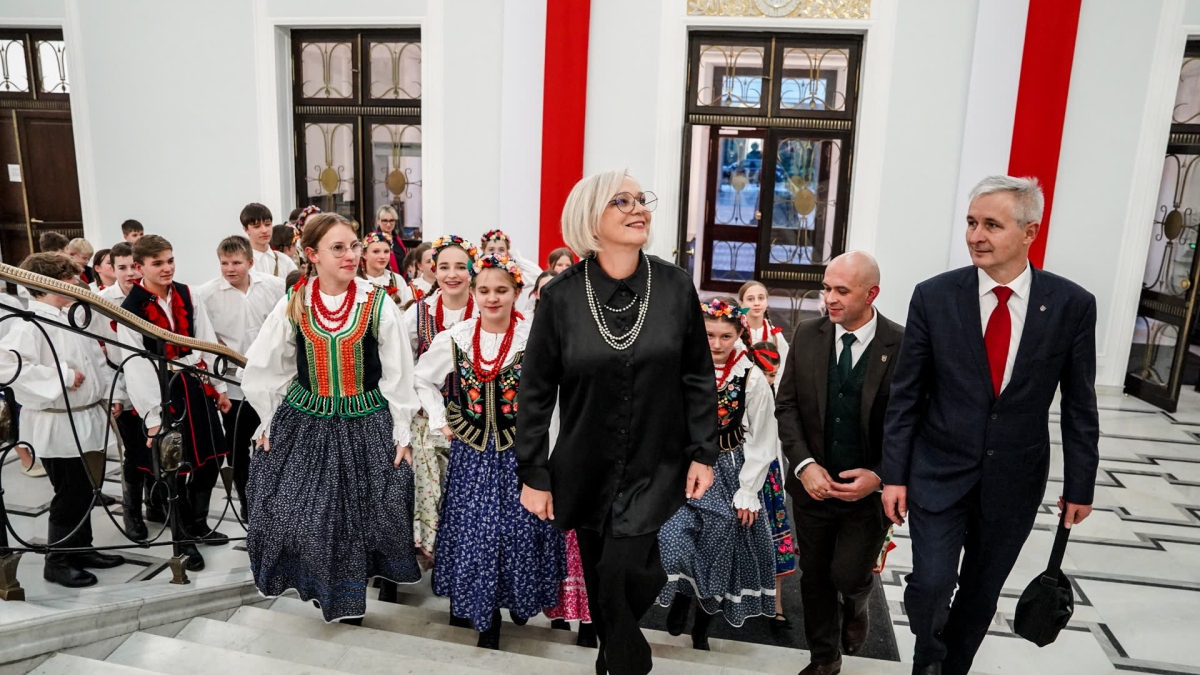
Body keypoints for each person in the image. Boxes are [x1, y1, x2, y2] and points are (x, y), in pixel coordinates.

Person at [882, 176, 1100, 675]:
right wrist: (894, 475)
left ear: (1029, 232)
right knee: (932, 584)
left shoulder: (1071, 305)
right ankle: (928, 655)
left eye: (991, 225)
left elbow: (1079, 404)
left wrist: (1080, 485)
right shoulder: (934, 296)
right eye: (971, 223)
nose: (976, 235)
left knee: (981, 592)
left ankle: (950, 670)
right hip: (938, 470)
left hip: (1014, 480)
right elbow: (906, 396)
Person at [516, 169, 718, 675]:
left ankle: (629, 662)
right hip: (585, 466)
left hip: (658, 460)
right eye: (621, 201)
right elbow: (535, 393)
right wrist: (534, 474)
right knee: (602, 570)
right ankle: (613, 659)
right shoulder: (561, 297)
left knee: (625, 569)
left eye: (641, 199)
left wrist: (704, 452)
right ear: (590, 218)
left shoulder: (675, 286)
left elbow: (697, 376)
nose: (639, 208)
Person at [241, 213, 422, 624]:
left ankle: (354, 598)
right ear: (312, 255)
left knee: (368, 515)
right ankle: (320, 587)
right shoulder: (296, 302)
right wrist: (268, 419)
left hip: (367, 422)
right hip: (307, 422)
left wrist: (402, 431)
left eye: (354, 246)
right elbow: (268, 365)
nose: (350, 255)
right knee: (292, 512)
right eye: (338, 248)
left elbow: (399, 373)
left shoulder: (377, 303)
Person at [415, 254, 565, 649]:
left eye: (501, 290)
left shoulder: (534, 337)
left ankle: (517, 599)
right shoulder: (458, 337)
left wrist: (550, 453)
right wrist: (439, 419)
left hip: (522, 454)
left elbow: (554, 396)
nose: (492, 298)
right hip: (473, 454)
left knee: (519, 531)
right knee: (479, 534)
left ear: (517, 292)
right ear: (474, 291)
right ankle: (487, 618)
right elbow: (421, 378)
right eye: (484, 290)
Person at [775, 251, 903, 675]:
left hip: (868, 495)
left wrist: (880, 476)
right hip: (813, 488)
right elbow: (787, 406)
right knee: (814, 577)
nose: (829, 298)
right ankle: (824, 659)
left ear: (871, 294)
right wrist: (804, 464)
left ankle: (858, 598)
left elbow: (914, 423)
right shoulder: (807, 334)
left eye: (841, 291)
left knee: (847, 574)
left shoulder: (902, 345)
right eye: (826, 288)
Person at [657, 297, 778, 651]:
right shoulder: (683, 366)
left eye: (726, 336)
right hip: (683, 467)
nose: (716, 343)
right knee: (673, 539)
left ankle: (702, 624)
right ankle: (682, 595)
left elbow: (763, 436)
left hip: (728, 471)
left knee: (720, 547)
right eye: (709, 335)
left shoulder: (751, 377)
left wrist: (748, 490)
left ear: (739, 333)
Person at [1, 253, 123, 587]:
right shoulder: (30, 323)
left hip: (85, 415)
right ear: (48, 284)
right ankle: (57, 560)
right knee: (70, 492)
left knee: (86, 488)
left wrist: (107, 393)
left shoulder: (69, 315)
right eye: (70, 278)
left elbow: (95, 359)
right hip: (57, 422)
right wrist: (63, 376)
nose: (77, 283)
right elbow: (6, 366)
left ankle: (81, 548)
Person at [117, 235, 233, 571]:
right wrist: (154, 417)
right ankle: (181, 538)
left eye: (170, 260)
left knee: (212, 457)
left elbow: (206, 340)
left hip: (194, 385)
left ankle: (198, 522)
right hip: (163, 391)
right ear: (139, 267)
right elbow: (136, 366)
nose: (167, 268)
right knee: (174, 467)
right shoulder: (131, 309)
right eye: (157, 263)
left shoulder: (188, 294)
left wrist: (218, 387)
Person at [195, 235, 285, 522]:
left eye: (236, 263)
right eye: (224, 263)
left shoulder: (273, 286)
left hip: (270, 381)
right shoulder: (206, 294)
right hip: (234, 384)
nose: (230, 269)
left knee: (272, 441)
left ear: (250, 262)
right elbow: (205, 338)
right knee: (237, 445)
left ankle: (273, 498)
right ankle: (247, 501)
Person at [402, 235, 477, 568]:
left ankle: (460, 555)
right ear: (434, 270)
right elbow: (405, 370)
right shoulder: (418, 314)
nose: (452, 274)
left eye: (460, 266)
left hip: (475, 416)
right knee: (425, 479)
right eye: (444, 267)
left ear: (472, 271)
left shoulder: (484, 310)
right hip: (428, 414)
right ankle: (425, 550)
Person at [97, 242, 158, 539]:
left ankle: (156, 503)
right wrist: (116, 395)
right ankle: (131, 511)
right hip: (121, 383)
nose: (130, 273)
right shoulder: (101, 301)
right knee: (134, 452)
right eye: (122, 268)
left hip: (153, 382)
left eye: (134, 266)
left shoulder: (153, 294)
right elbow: (98, 353)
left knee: (156, 446)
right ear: (112, 269)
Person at [746, 338, 797, 631]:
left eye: (773, 374)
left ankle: (776, 606)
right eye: (764, 373)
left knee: (775, 536)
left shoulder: (781, 398)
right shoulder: (741, 390)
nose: (769, 380)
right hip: (741, 470)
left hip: (770, 474)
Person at [480, 230, 542, 314]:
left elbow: (538, 276)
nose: (496, 253)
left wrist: (517, 260)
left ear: (507, 252)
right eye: (491, 249)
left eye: (501, 250)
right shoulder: (477, 273)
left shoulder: (512, 275)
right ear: (483, 251)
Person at [739, 280, 789, 377]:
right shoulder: (736, 333)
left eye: (761, 298)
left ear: (767, 302)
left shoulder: (775, 336)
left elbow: (783, 368)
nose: (756, 303)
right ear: (741, 304)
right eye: (750, 299)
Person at [241, 203, 296, 280]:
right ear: (246, 229)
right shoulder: (241, 262)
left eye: (267, 224)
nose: (264, 230)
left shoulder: (285, 261)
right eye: (257, 226)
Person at [360, 232, 416, 306]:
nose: (382, 256)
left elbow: (406, 308)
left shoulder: (398, 280)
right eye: (376, 251)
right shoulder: (356, 280)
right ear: (364, 254)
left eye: (386, 251)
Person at [373, 205, 407, 273]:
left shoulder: (397, 239)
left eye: (391, 220)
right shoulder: (373, 240)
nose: (388, 224)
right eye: (385, 221)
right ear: (377, 221)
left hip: (402, 277)